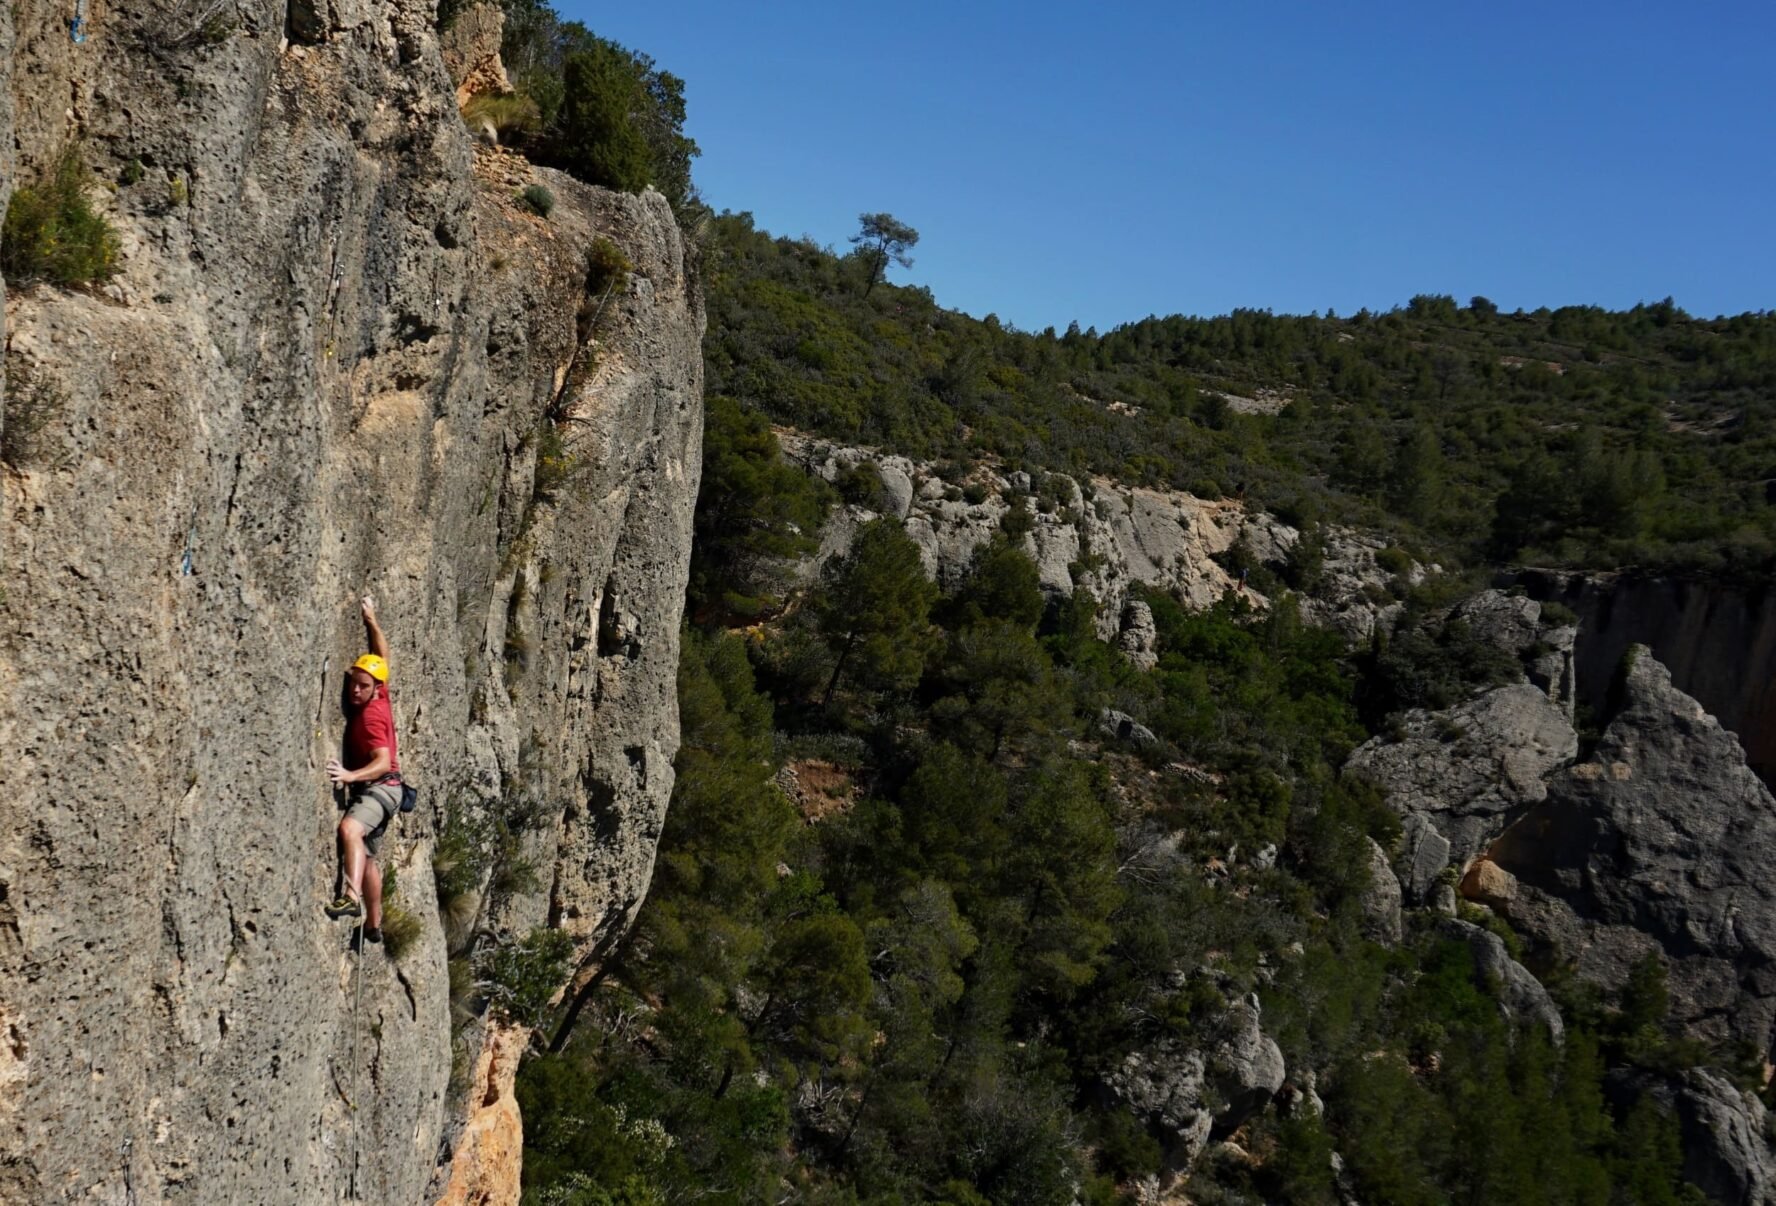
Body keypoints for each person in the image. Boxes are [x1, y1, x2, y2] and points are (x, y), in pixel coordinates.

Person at [324, 596, 401, 944]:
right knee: (367, 858)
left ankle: (351, 897)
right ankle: (373, 924)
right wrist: (371, 620)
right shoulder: (380, 692)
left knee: (350, 829)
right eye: (353, 683)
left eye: (363, 686)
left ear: (375, 689)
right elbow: (382, 657)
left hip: (379, 787)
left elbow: (382, 761)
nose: (355, 690)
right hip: (387, 791)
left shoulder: (371, 717)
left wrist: (349, 776)